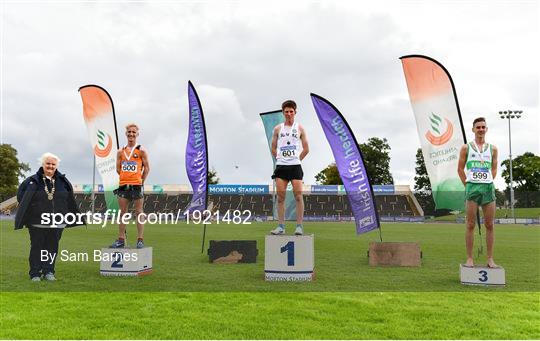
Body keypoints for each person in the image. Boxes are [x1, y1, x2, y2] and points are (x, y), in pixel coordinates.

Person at [15, 152, 83, 281]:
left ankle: (49, 271)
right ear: (43, 164)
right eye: (48, 163)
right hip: (37, 222)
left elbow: (69, 199)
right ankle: (35, 273)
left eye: (53, 164)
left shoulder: (63, 182)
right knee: (37, 246)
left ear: (56, 166)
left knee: (52, 247)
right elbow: (20, 196)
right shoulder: (31, 181)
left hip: (57, 222)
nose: (50, 166)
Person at [457, 117, 499, 268]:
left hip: (488, 188)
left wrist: (488, 180)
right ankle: (469, 258)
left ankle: (490, 259)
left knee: (489, 224)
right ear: (473, 129)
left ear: (486, 129)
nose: (481, 129)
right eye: (478, 127)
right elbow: (460, 169)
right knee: (470, 224)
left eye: (483, 127)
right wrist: (467, 185)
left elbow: (494, 169)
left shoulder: (493, 149)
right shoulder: (466, 148)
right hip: (472, 188)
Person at [269, 100, 309, 235]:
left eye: (291, 111)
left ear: (295, 112)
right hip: (281, 167)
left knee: (298, 196)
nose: (289, 114)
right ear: (283, 112)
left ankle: (299, 226)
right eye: (286, 111)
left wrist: (296, 159)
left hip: (295, 167)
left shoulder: (300, 128)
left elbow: (306, 149)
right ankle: (281, 226)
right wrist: (280, 159)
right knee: (281, 198)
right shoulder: (277, 129)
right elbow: (273, 148)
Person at [110, 123, 150, 248]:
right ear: (126, 134)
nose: (131, 134)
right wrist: (125, 178)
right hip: (123, 186)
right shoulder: (120, 152)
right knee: (123, 213)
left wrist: (141, 181)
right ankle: (121, 240)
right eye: (129, 132)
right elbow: (118, 169)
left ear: (137, 134)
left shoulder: (141, 150)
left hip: (137, 185)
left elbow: (147, 168)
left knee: (139, 212)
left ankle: (140, 240)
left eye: (134, 132)